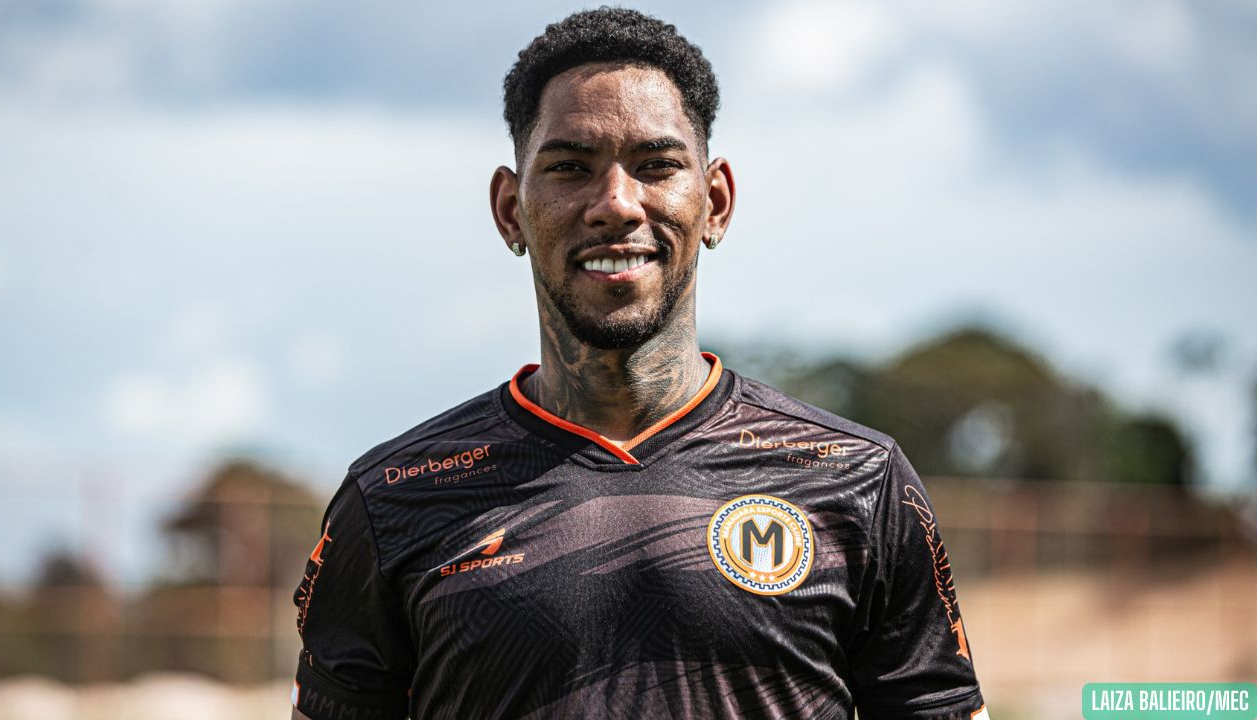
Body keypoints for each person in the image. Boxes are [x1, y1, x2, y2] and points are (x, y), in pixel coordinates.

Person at [291, 8, 986, 720]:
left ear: (715, 202)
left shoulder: (858, 481)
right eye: (570, 167)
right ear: (510, 210)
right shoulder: (395, 500)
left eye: (656, 166)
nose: (617, 205)